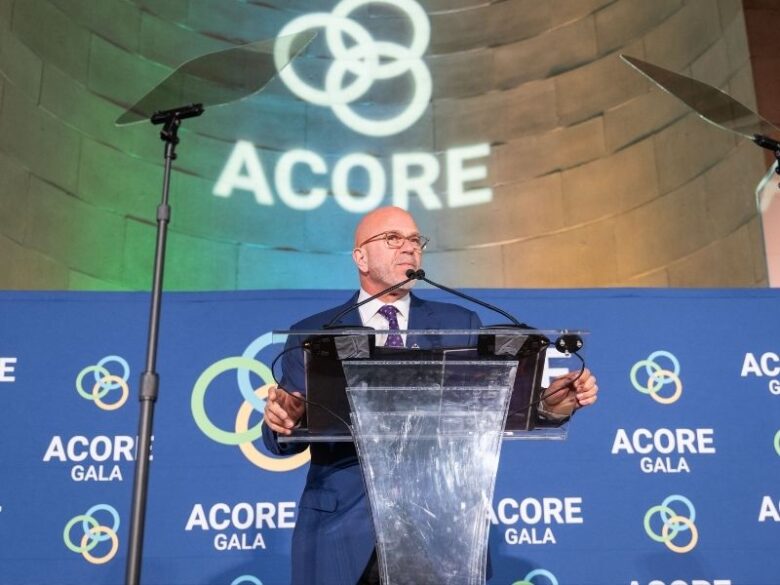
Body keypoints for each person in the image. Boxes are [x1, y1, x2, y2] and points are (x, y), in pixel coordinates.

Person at [262, 206, 598, 585]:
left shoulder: (460, 324)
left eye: (415, 240)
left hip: (439, 533)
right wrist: (285, 419)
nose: (409, 248)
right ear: (360, 257)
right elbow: (286, 429)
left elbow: (486, 406)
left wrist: (548, 408)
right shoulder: (316, 331)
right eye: (393, 238)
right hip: (343, 532)